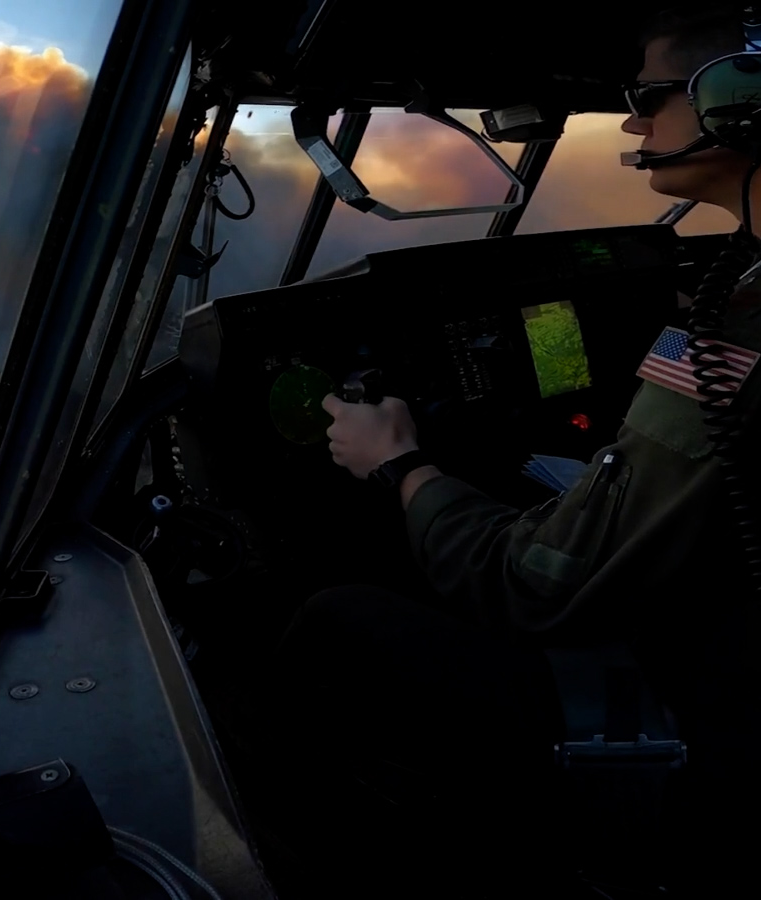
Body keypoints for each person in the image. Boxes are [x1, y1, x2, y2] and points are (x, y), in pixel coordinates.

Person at [250, 4, 761, 898]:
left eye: (649, 97)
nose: (636, 123)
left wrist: (400, 463)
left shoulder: (743, 332)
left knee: (337, 618)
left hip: (712, 736)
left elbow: (534, 586)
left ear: (741, 101)